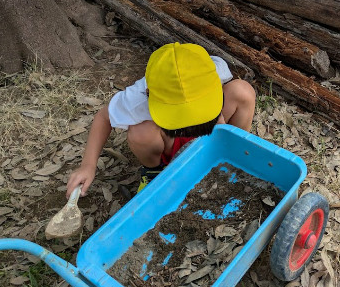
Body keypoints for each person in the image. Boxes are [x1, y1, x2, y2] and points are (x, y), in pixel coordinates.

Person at [66, 42, 256, 196]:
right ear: (150, 94)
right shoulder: (137, 97)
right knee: (140, 133)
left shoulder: (214, 69)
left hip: (212, 136)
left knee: (243, 91)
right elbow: (103, 117)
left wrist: (218, 122)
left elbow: (230, 99)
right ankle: (154, 173)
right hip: (170, 143)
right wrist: (88, 166)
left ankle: (235, 154)